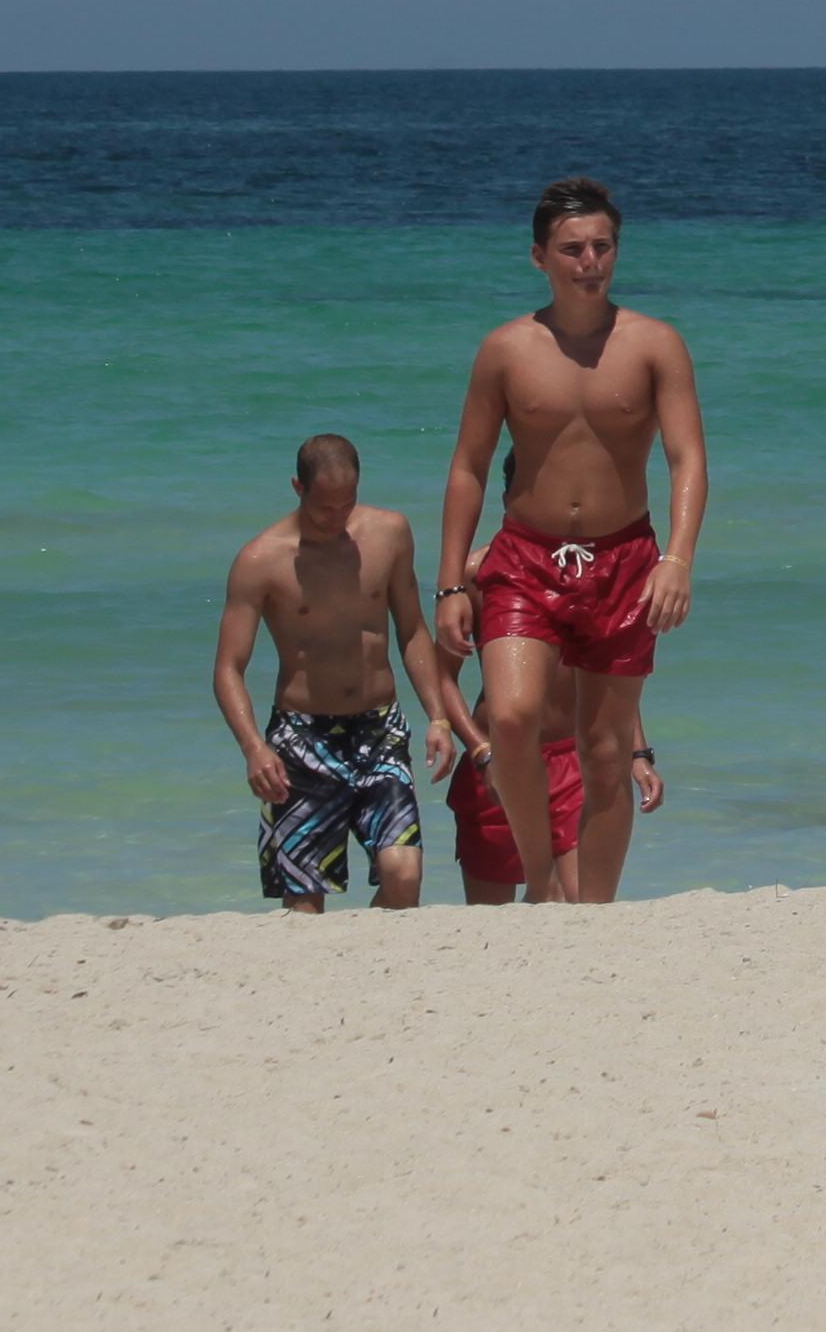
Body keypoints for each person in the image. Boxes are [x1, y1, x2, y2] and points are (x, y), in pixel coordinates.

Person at [431, 177, 708, 907]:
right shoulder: (506, 349)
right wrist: (452, 584)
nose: (590, 261)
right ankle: (543, 874)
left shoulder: (654, 344)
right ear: (539, 257)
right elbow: (468, 467)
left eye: (602, 246)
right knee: (515, 717)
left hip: (625, 559)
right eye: (572, 249)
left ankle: (595, 912)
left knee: (606, 750)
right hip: (526, 556)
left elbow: (688, 458)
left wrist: (677, 558)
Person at [213, 433, 467, 912]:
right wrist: (253, 747)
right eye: (324, 508)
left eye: (346, 505)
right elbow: (228, 667)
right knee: (305, 906)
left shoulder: (389, 534)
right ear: (298, 488)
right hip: (301, 737)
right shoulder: (260, 560)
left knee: (403, 875)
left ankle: (377, 970)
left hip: (379, 728)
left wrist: (438, 716)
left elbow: (411, 629)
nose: (336, 519)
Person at [450, 725, 663, 906]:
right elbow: (440, 679)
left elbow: (617, 684)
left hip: (570, 757)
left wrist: (638, 753)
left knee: (585, 903)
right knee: (490, 915)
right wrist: (479, 749)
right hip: (496, 759)